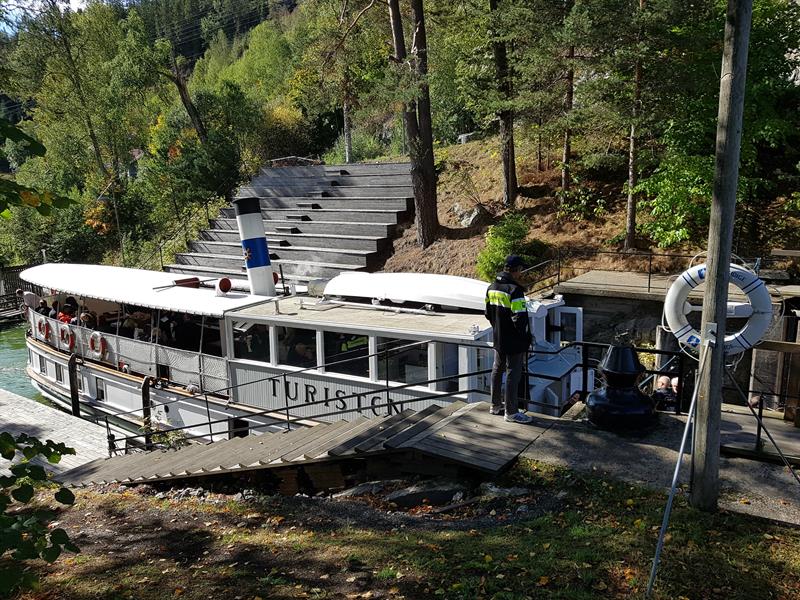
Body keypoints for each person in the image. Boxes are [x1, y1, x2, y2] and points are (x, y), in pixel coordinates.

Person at [485, 255, 533, 424]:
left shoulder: (491, 287)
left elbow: (487, 314)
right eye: (521, 269)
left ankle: (495, 405)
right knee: (513, 373)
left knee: (497, 370)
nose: (522, 273)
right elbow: (520, 318)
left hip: (498, 337)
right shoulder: (515, 290)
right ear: (517, 270)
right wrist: (525, 338)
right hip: (514, 341)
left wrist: (499, 329)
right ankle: (511, 412)